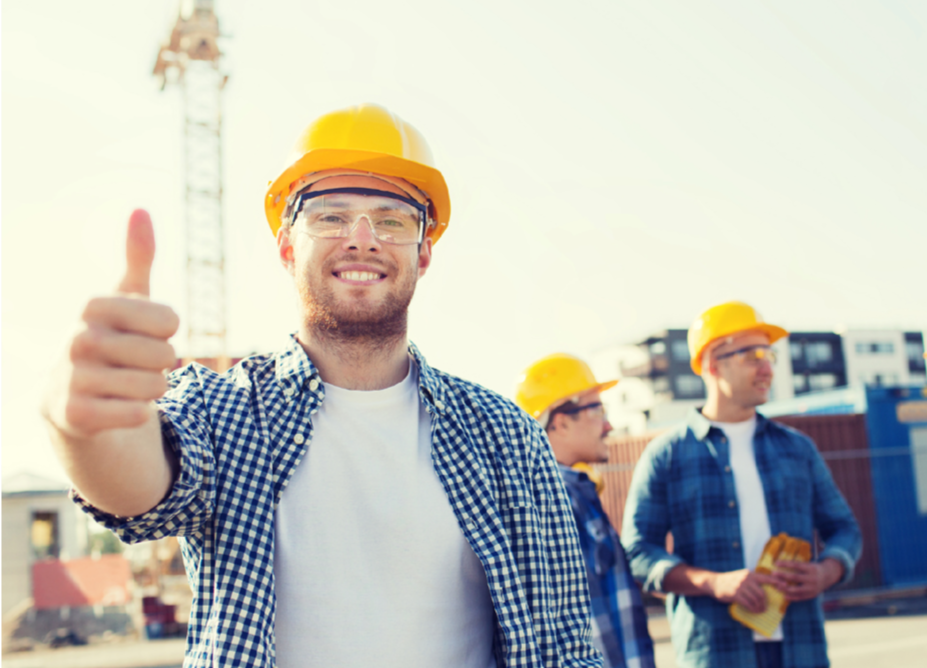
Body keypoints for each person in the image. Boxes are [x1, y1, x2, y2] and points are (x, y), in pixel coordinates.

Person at [43, 104, 603, 668]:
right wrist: (80, 426)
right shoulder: (225, 410)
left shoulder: (504, 436)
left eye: (392, 220)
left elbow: (565, 648)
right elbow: (139, 490)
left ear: (423, 253)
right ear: (288, 247)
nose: (362, 240)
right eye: (331, 216)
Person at [621, 301, 862, 668]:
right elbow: (638, 552)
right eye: (753, 355)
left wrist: (826, 571)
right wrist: (712, 583)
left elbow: (844, 529)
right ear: (712, 365)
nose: (767, 368)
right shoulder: (665, 455)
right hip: (715, 652)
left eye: (769, 355)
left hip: (801, 647)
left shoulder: (797, 448)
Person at [515, 354, 656, 668]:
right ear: (561, 422)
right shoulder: (552, 502)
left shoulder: (574, 492)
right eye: (598, 410)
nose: (609, 425)